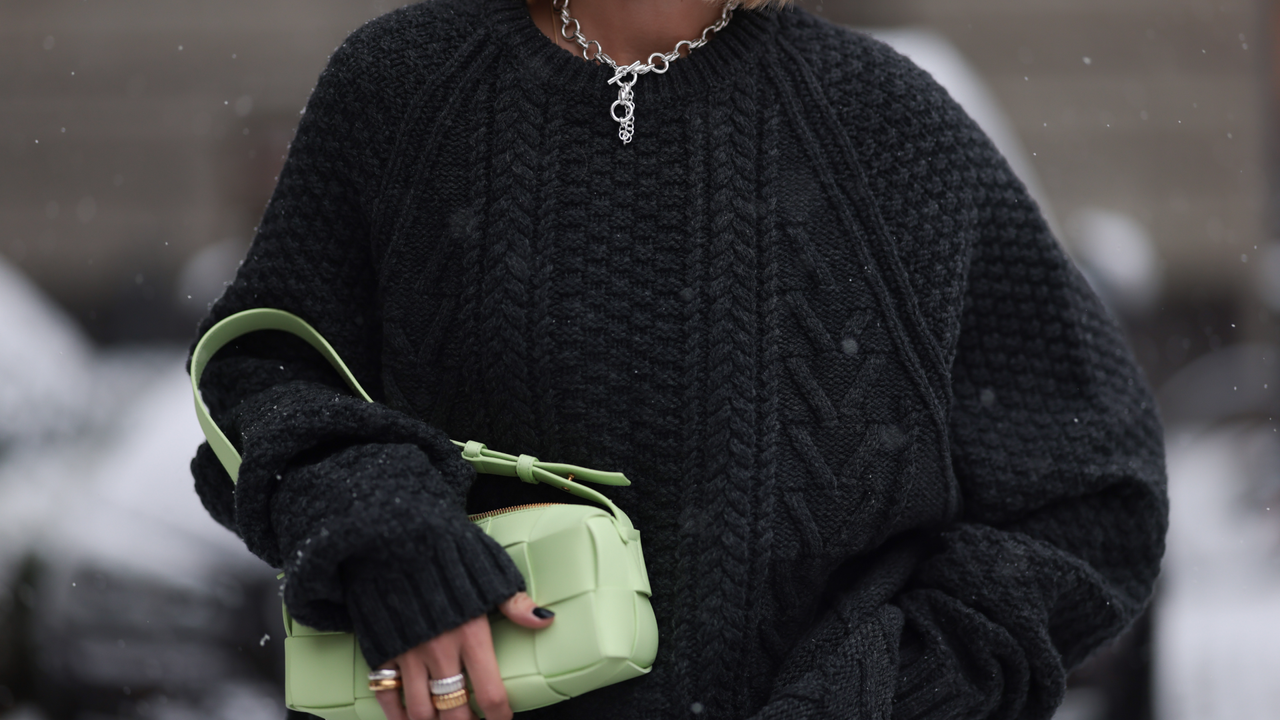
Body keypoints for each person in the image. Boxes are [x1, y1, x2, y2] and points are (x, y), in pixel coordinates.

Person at [188, 0, 1169, 718]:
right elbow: (258, 372)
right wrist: (380, 522)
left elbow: (1090, 493)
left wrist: (882, 688)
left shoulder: (887, 129)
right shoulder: (398, 89)